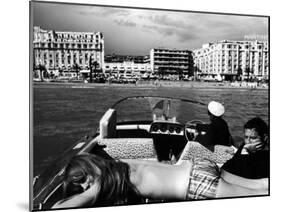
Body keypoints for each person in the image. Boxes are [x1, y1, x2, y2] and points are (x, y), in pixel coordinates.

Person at [52, 116, 269, 210]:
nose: (84, 187)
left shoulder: (103, 181)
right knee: (262, 185)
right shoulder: (119, 163)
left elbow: (59, 207)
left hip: (195, 183)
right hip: (195, 165)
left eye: (81, 180)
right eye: (79, 187)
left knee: (262, 198)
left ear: (90, 166)